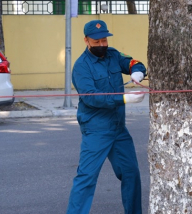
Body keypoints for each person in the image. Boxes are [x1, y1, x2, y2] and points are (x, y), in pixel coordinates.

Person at [66, 20, 147, 214]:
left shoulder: (113, 55)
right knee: (86, 178)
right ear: (86, 40)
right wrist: (125, 99)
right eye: (97, 42)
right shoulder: (81, 67)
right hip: (96, 128)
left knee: (131, 174)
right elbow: (92, 98)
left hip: (118, 128)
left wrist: (137, 72)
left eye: (104, 40)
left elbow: (133, 63)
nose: (102, 45)